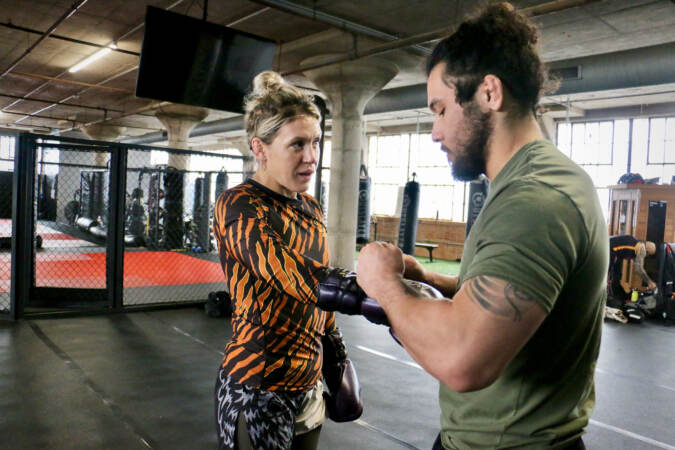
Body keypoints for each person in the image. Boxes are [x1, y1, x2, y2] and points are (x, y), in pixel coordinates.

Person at [354, 3, 608, 449]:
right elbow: (504, 300)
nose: (434, 132)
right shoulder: (538, 181)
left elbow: (462, 360)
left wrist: (385, 286)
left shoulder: (533, 200)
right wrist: (428, 280)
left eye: (439, 110)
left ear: (489, 93)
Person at [212, 71, 344, 450]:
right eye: (297, 144)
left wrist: (336, 356)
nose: (312, 157)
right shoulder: (239, 204)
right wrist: (370, 291)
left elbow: (320, 303)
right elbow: (293, 276)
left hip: (309, 383)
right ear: (260, 148)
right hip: (257, 387)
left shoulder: (311, 207)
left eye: (316, 142)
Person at [608, 234, 657, 301]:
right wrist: (649, 282)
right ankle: (613, 298)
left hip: (612, 250)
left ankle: (617, 297)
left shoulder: (635, 244)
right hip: (608, 250)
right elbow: (638, 268)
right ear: (647, 249)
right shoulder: (641, 248)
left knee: (617, 275)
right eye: (648, 253)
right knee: (610, 277)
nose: (646, 256)